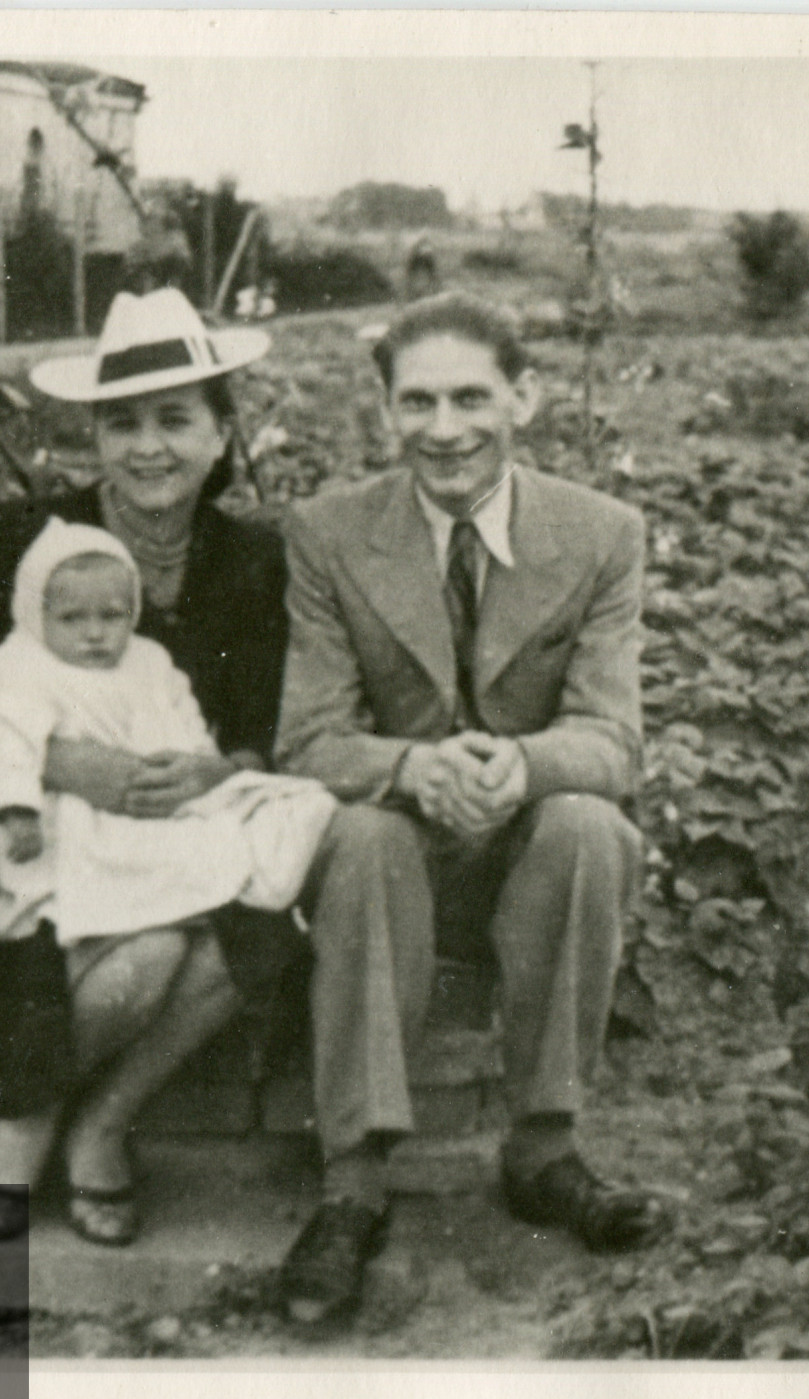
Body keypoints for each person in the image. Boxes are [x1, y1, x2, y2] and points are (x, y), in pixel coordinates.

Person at [273, 291, 663, 1322]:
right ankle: (352, 1187)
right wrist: (411, 769)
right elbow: (307, 739)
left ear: (523, 397)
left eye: (470, 398)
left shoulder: (602, 534)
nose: (444, 430)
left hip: (521, 849)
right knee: (357, 834)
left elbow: (615, 741)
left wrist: (521, 765)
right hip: (397, 850)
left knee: (591, 823)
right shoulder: (326, 535)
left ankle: (544, 1149)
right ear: (385, 412)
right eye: (417, 402)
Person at [0, 287, 295, 1247]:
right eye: (122, 424)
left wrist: (209, 775)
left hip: (180, 830)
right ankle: (29, 1121)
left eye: (175, 420)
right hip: (46, 838)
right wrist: (61, 764)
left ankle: (102, 1124)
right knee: (154, 951)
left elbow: (269, 728)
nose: (149, 447)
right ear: (95, 436)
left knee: (259, 917)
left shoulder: (255, 561)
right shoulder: (24, 542)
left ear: (219, 432)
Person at [0, 517, 334, 946]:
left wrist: (197, 769)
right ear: (34, 613)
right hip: (79, 817)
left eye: (112, 616)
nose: (95, 633)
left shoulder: (149, 659)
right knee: (122, 862)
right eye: (71, 618)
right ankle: (172, 907)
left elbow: (183, 718)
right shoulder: (19, 667)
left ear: (133, 610)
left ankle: (226, 892)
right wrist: (15, 810)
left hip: (162, 802)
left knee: (280, 812)